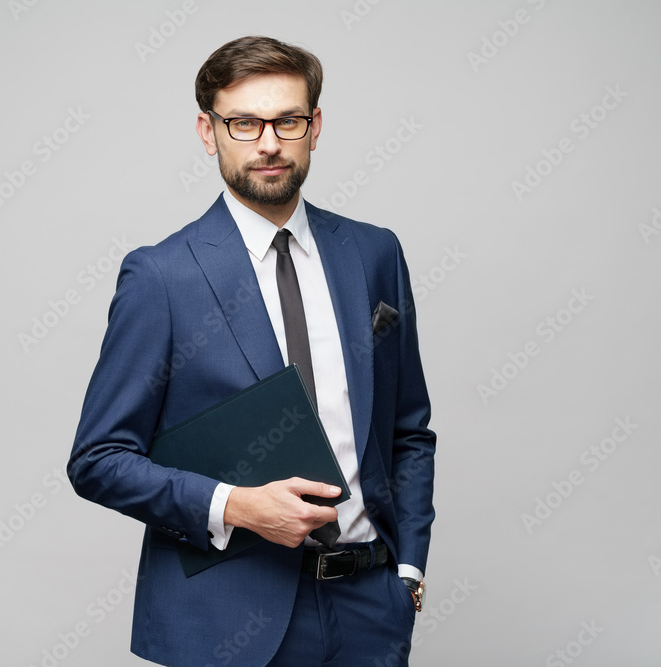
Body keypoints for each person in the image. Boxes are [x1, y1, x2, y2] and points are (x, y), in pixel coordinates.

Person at [68, 35, 435, 666]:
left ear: (314, 126)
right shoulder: (162, 277)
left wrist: (407, 569)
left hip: (371, 610)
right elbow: (98, 459)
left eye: (287, 120)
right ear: (209, 132)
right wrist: (235, 506)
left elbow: (409, 430)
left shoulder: (374, 255)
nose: (268, 143)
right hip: (227, 621)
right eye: (243, 123)